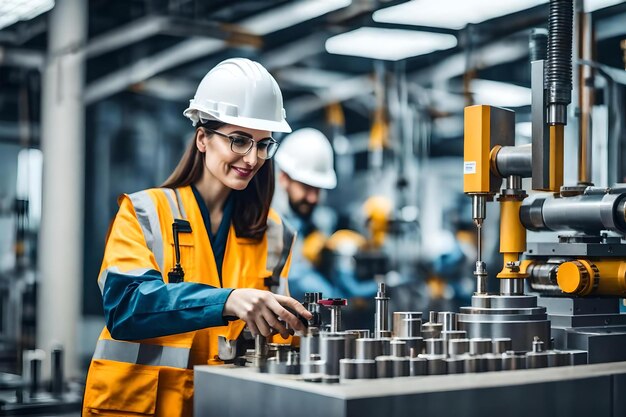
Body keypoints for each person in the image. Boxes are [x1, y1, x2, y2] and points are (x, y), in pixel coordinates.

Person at [82, 58, 311, 417]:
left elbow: (270, 333)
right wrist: (228, 301)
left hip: (225, 405)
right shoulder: (144, 212)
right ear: (203, 138)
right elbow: (125, 307)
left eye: (264, 144)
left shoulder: (274, 231)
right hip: (143, 407)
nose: (253, 158)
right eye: (239, 141)